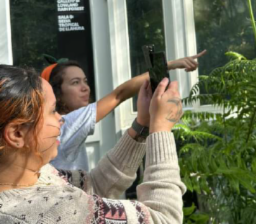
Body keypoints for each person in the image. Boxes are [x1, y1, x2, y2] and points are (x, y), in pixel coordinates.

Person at [0, 67, 184, 224]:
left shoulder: (29, 179)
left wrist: (142, 126)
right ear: (16, 133)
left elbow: (92, 186)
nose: (61, 118)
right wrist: (162, 131)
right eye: (53, 111)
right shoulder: (45, 222)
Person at [44, 52, 205, 172]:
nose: (85, 87)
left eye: (85, 81)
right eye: (75, 83)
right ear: (56, 92)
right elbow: (119, 95)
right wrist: (167, 66)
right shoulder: (65, 124)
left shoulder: (57, 125)